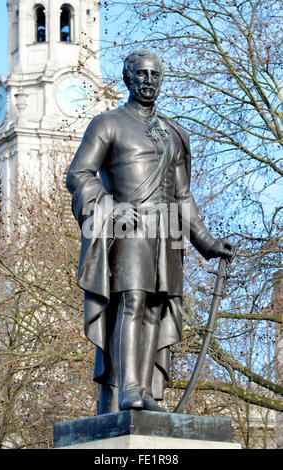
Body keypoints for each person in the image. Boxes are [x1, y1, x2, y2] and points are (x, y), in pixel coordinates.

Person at [66, 49, 234, 414]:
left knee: (156, 310)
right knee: (133, 301)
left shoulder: (175, 133)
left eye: (155, 75)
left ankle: (146, 393)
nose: (148, 81)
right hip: (130, 227)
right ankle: (128, 389)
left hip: (168, 231)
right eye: (141, 74)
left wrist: (206, 242)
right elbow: (78, 174)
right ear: (128, 77)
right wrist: (110, 206)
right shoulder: (107, 123)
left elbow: (183, 195)